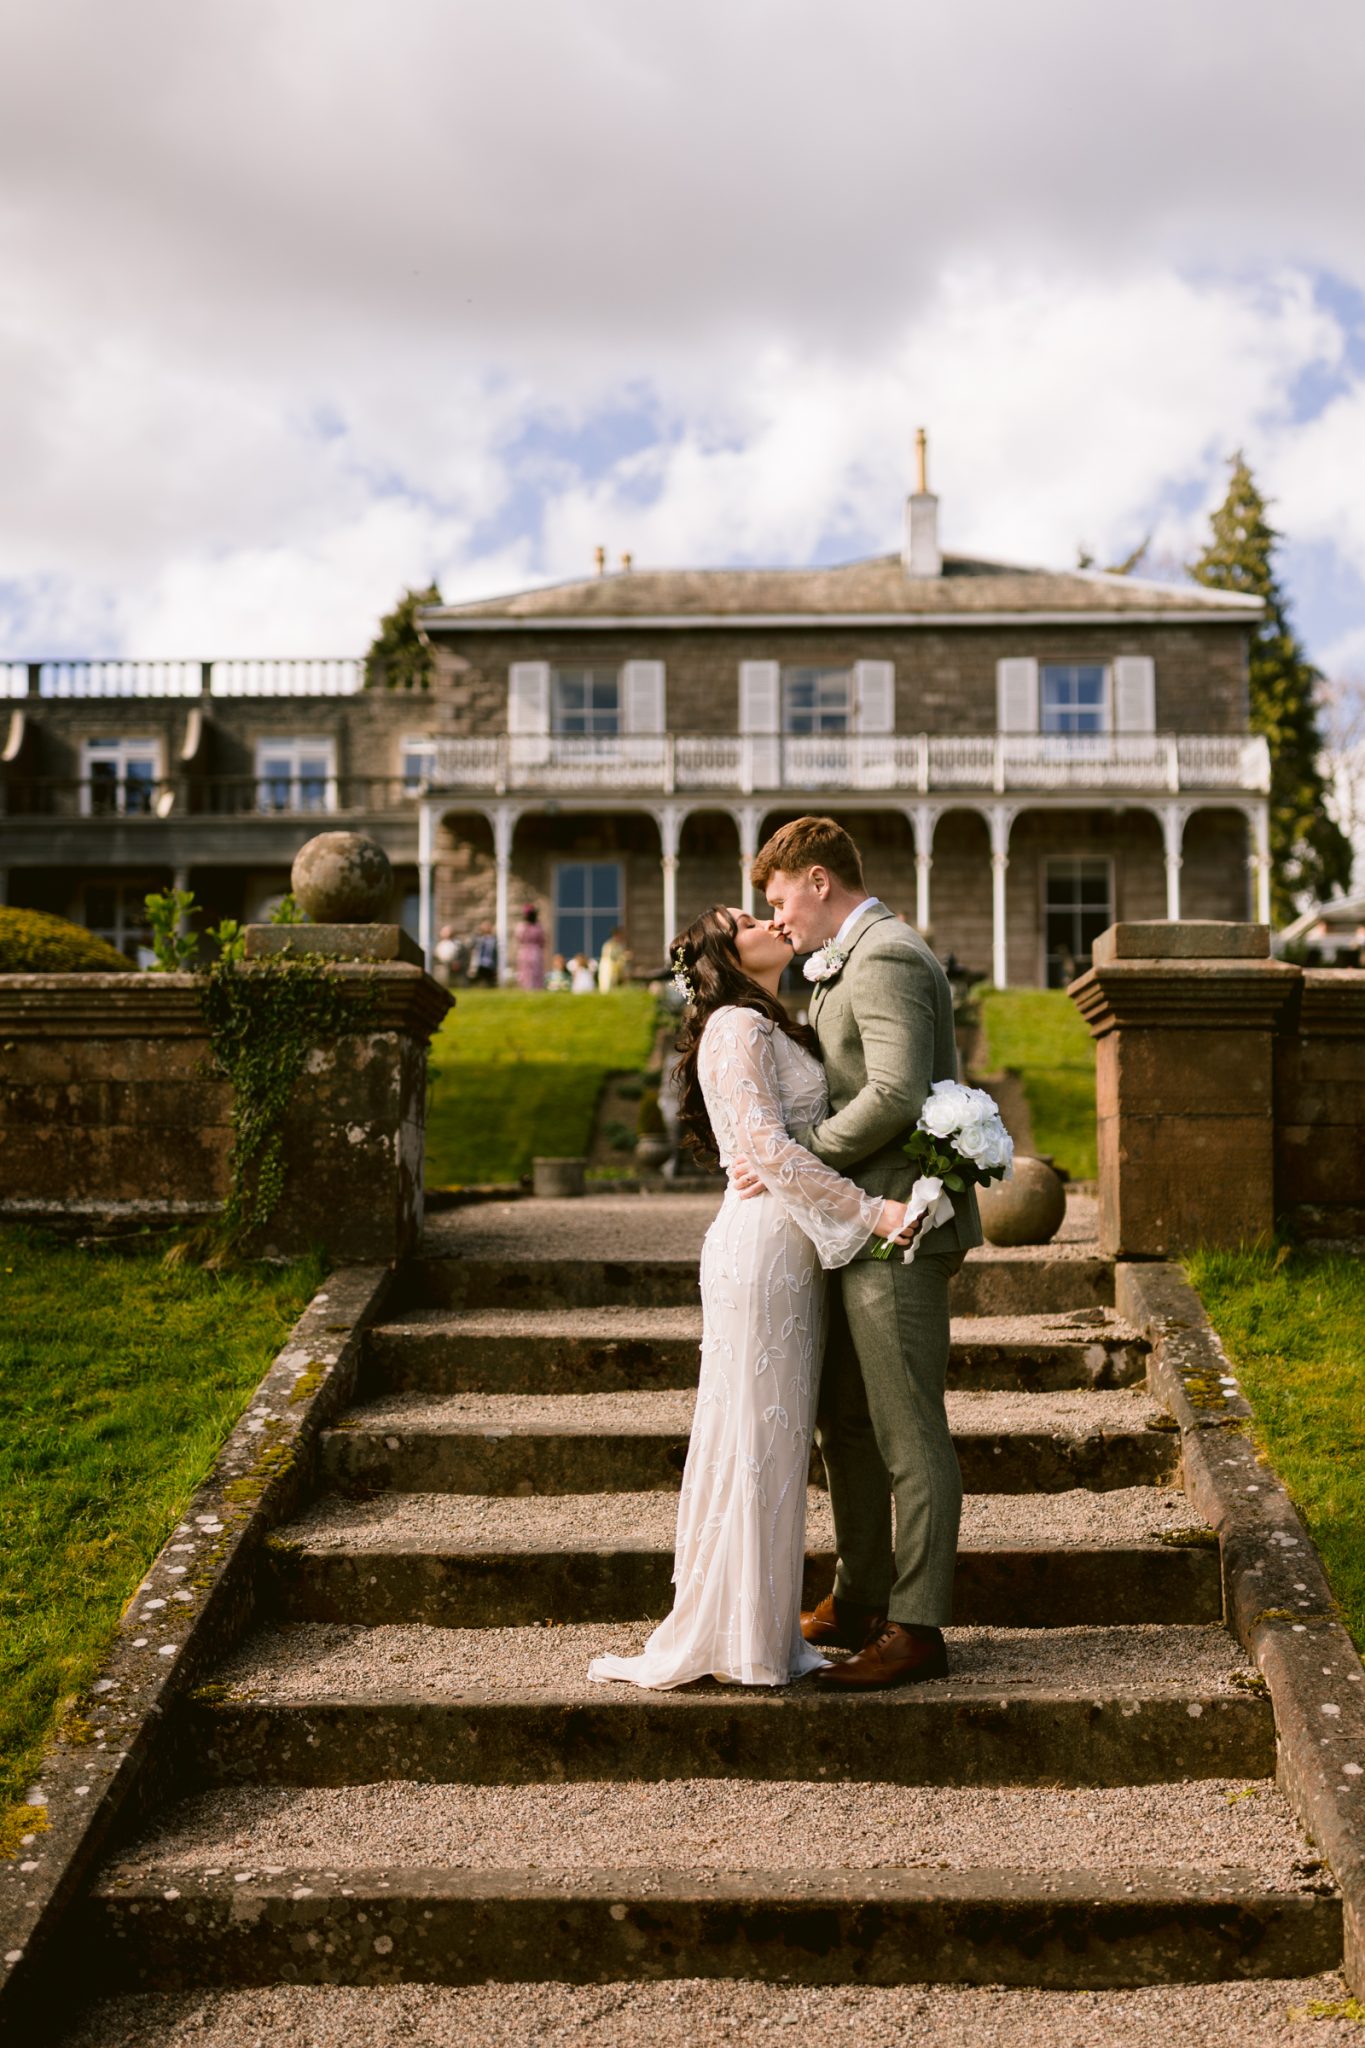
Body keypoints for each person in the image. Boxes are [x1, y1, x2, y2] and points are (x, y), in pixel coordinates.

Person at [587, 906, 916, 1691]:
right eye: (749, 919)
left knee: (772, 1440)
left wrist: (773, 1158)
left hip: (788, 1243)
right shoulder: (736, 1024)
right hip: (763, 1251)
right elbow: (765, 1146)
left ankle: (757, 1626)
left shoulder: (769, 1023)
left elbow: (773, 1143)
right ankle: (730, 1634)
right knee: (755, 1434)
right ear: (727, 955)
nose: (772, 919)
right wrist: (876, 1212)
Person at [736, 815, 982, 1691]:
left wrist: (801, 1161)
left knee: (907, 1430)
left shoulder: (883, 954)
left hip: (901, 1226)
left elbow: (891, 1093)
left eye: (777, 899)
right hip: (853, 1227)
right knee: (843, 1421)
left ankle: (916, 1627)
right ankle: (857, 1597)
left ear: (815, 879)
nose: (778, 919)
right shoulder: (847, 955)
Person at [515, 904, 546, 991]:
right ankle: (535, 987)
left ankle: (527, 988)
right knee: (534, 971)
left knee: (526, 971)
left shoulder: (521, 926)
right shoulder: (538, 927)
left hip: (524, 951)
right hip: (535, 951)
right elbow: (542, 940)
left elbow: (519, 938)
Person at [597, 925, 632, 991]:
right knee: (606, 988)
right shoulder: (609, 945)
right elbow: (612, 958)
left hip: (616, 972)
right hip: (608, 970)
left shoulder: (620, 945)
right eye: (621, 935)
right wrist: (624, 956)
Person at [467, 921, 497, 987]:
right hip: (479, 964)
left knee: (489, 982)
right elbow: (470, 945)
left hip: (490, 964)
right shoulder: (478, 938)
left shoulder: (494, 939)